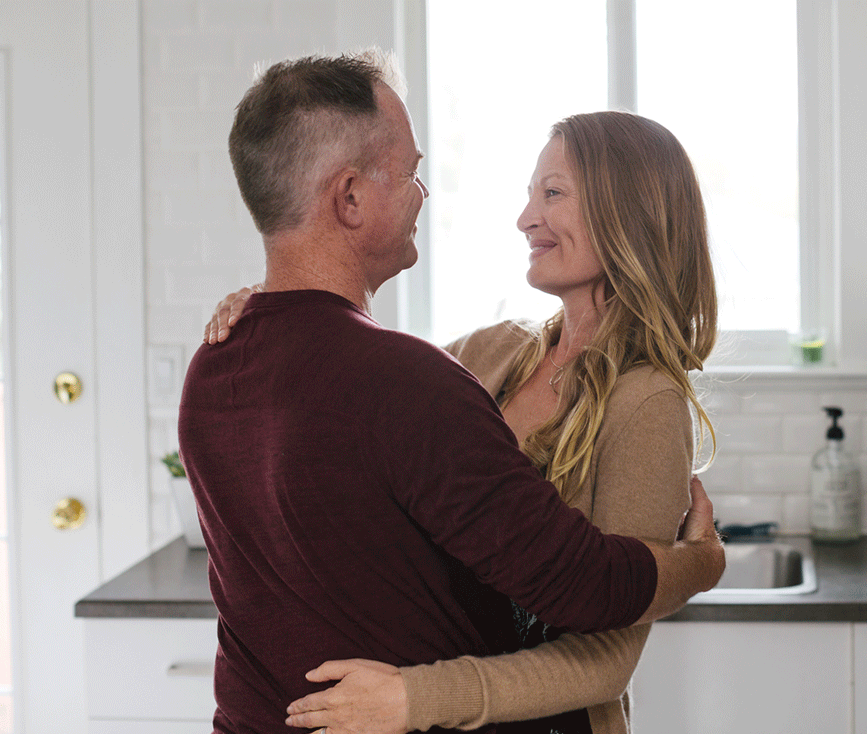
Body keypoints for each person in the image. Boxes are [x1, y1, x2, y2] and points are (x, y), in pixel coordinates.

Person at [178, 51, 724, 734]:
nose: (525, 218)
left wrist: (414, 698)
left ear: (629, 213)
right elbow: (341, 395)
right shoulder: (484, 355)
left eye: (551, 194)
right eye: (409, 174)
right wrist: (695, 566)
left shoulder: (646, 401)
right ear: (348, 198)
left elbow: (605, 656)